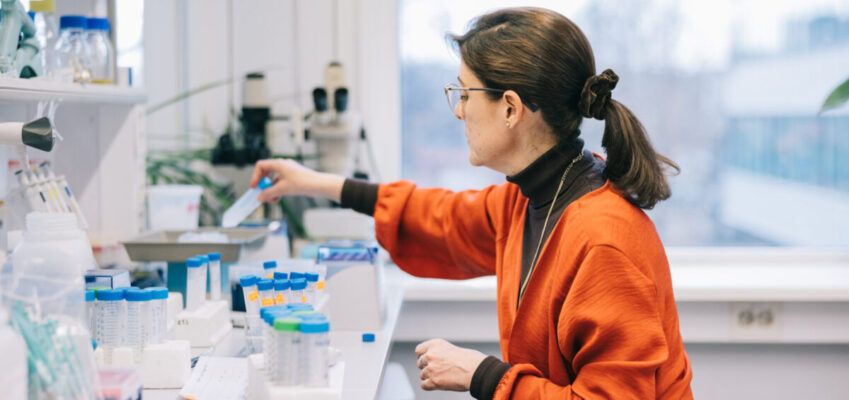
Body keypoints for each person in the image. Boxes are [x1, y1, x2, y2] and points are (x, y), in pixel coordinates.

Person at [250, 6, 693, 399]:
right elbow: (441, 219)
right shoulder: (531, 200)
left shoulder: (603, 243)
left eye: (465, 94)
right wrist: (316, 183)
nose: (459, 110)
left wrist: (482, 375)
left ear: (511, 109)